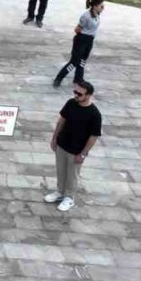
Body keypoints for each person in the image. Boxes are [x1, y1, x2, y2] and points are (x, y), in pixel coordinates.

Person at [46, 80, 102, 212]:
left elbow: (93, 136)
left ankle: (69, 197)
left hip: (76, 150)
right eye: (75, 92)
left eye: (79, 94)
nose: (76, 95)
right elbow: (61, 121)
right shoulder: (71, 103)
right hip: (62, 144)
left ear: (88, 95)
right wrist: (54, 138)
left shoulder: (94, 114)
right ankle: (60, 192)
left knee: (72, 175)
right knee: (61, 171)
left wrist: (83, 153)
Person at [54, 0, 104, 86]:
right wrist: (83, 36)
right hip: (82, 39)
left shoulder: (97, 14)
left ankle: (78, 78)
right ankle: (59, 78)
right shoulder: (86, 16)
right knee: (74, 62)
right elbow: (77, 29)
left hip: (90, 40)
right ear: (95, 6)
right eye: (101, 6)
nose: (103, 8)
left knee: (83, 60)